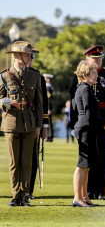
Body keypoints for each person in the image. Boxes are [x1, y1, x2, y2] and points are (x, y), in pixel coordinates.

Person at [0, 41, 43, 207]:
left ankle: (25, 195)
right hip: (11, 122)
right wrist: (8, 103)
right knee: (14, 163)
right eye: (27, 55)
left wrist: (39, 125)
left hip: (30, 123)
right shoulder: (4, 76)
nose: (30, 57)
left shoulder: (35, 75)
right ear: (17, 56)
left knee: (27, 162)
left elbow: (39, 103)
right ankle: (15, 195)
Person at [72, 60, 105, 207]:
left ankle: (84, 197)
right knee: (82, 165)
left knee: (87, 165)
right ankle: (78, 197)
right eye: (94, 73)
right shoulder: (84, 89)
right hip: (85, 129)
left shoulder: (85, 88)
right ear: (85, 75)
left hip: (88, 129)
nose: (97, 76)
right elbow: (88, 114)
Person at [28, 47, 49, 200]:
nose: (29, 61)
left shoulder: (38, 77)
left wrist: (44, 125)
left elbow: (44, 103)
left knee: (34, 157)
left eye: (30, 58)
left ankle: (30, 189)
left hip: (35, 121)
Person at [43, 73, 54, 142]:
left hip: (48, 107)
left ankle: (50, 137)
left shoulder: (48, 87)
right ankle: (50, 136)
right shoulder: (49, 86)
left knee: (48, 122)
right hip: (48, 107)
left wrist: (48, 108)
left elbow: (48, 99)